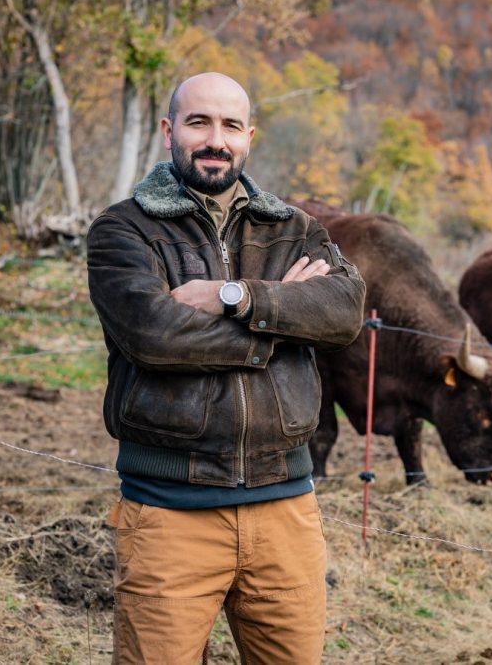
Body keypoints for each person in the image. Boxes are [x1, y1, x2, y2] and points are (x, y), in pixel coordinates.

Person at [86, 72, 366, 664]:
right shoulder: (124, 229)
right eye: (199, 122)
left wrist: (235, 297)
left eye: (231, 126)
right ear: (169, 131)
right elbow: (155, 335)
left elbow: (343, 313)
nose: (216, 140)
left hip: (287, 513)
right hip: (169, 514)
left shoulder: (293, 228)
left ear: (249, 137)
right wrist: (281, 326)